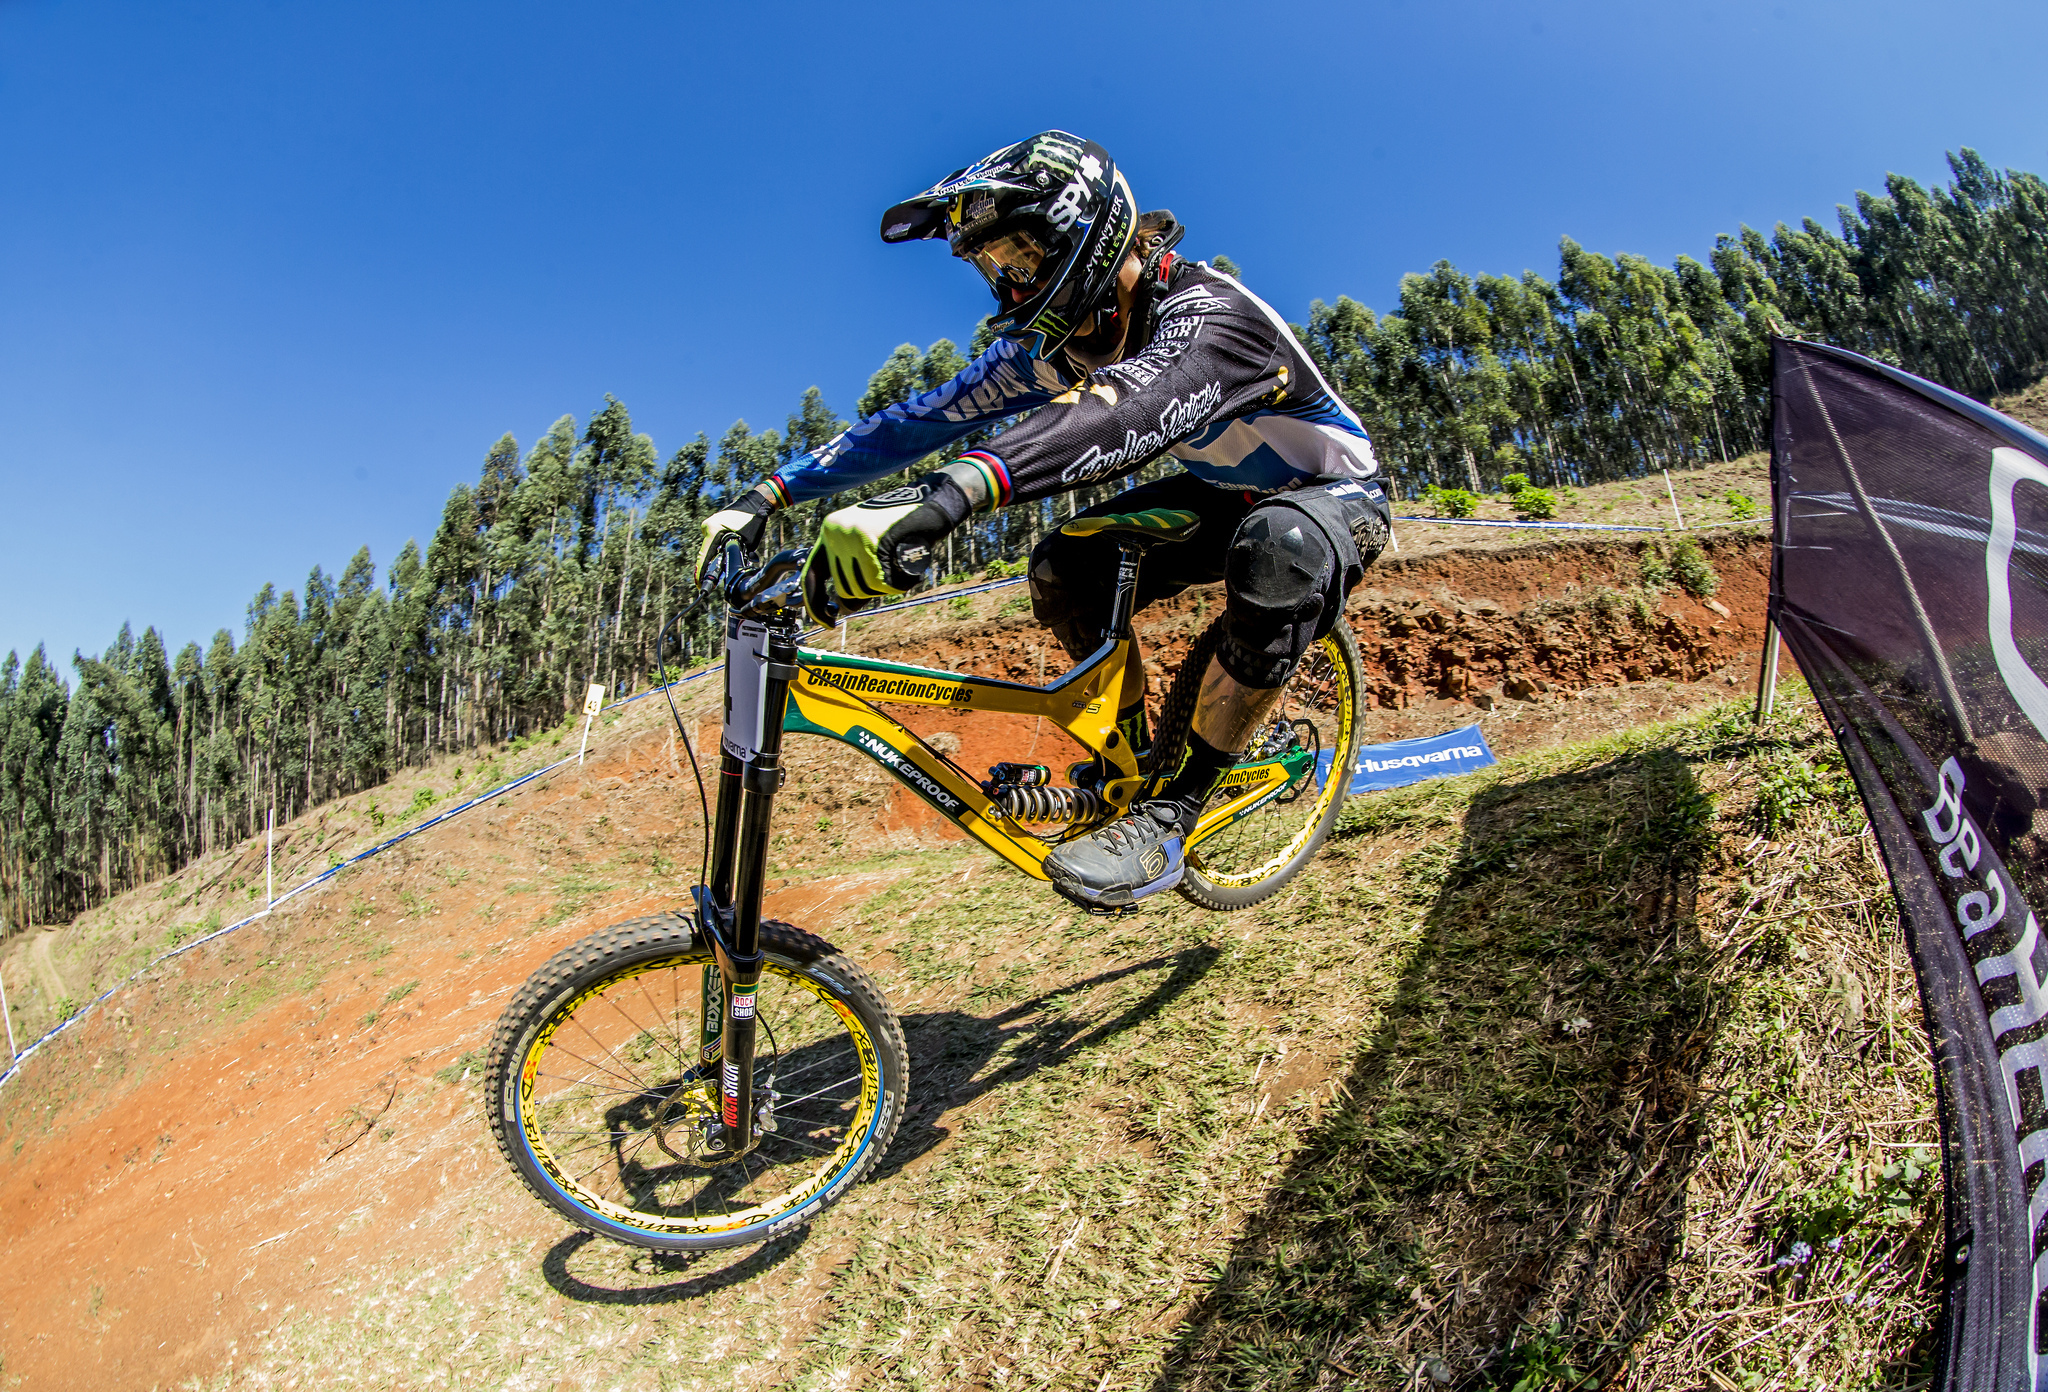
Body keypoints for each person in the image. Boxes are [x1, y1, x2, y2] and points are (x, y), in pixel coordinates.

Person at [697, 131, 1390, 910]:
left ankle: (1167, 819)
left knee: (1282, 545)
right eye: (993, 268)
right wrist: (769, 493)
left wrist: (950, 497)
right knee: (1064, 566)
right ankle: (1129, 763)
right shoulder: (1056, 348)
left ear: (1086, 233)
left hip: (1335, 493)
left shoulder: (1213, 314)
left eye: (1022, 257)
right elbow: (917, 421)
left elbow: (1128, 406)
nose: (1010, 286)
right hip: (1221, 496)